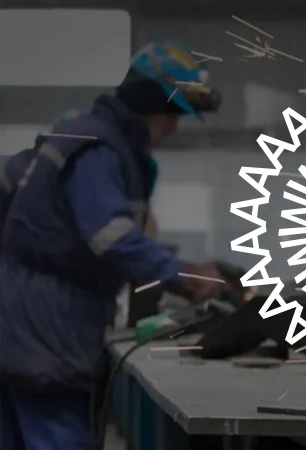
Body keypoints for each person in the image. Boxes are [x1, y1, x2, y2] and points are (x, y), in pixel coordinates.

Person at [0, 41, 225, 450]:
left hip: (19, 317)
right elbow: (111, 237)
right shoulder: (99, 149)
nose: (174, 128)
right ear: (150, 106)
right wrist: (185, 277)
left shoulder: (76, 131)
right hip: (48, 326)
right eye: (172, 117)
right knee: (59, 433)